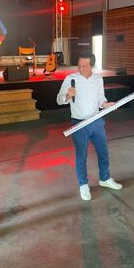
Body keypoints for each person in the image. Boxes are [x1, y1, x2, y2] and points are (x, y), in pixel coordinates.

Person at [56, 51, 122, 201]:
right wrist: (67, 96)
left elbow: (101, 100)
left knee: (103, 152)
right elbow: (59, 100)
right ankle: (83, 185)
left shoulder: (98, 79)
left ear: (92, 66)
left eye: (84, 66)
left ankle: (105, 179)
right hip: (79, 123)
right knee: (81, 156)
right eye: (79, 65)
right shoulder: (70, 79)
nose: (80, 68)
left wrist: (107, 105)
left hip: (97, 121)